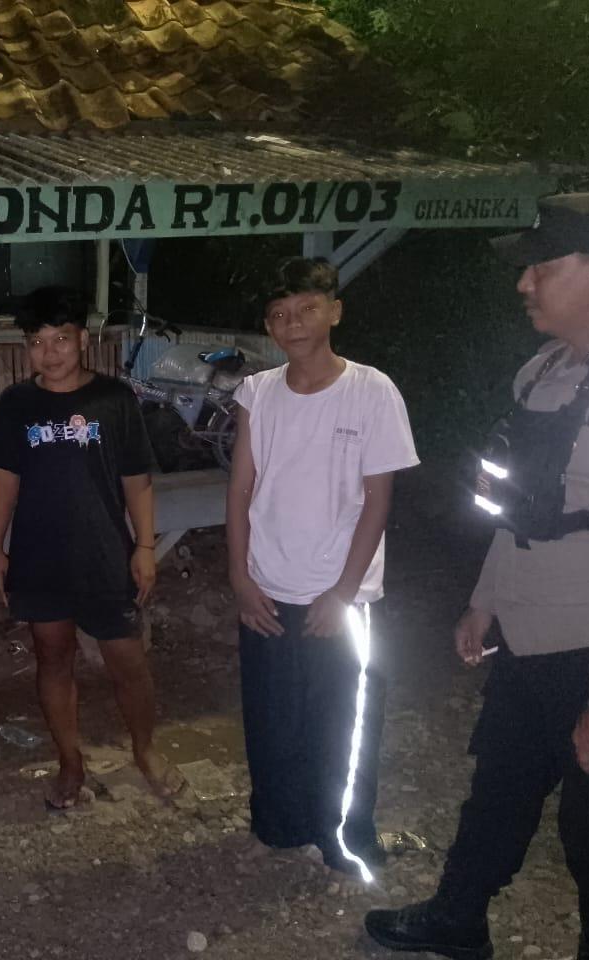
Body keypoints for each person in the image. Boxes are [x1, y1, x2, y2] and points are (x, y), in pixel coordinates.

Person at [365, 193, 589, 960]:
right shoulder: (543, 373)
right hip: (530, 633)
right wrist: (485, 601)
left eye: (542, 266)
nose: (523, 283)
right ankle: (457, 920)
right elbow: (521, 508)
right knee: (497, 791)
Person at [226, 257, 419, 875]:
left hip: (341, 595)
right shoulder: (257, 393)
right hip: (266, 586)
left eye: (307, 308)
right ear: (268, 326)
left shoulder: (372, 390)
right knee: (272, 717)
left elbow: (377, 501)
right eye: (279, 314)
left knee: (344, 722)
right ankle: (279, 825)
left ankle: (345, 840)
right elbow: (240, 490)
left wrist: (342, 593)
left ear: (334, 311)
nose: (293, 323)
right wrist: (239, 577)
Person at [0, 286, 184, 810]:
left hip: (104, 554)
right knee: (53, 658)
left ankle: (145, 750)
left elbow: (137, 480)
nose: (50, 353)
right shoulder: (16, 404)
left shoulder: (113, 400)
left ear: (83, 341)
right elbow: (3, 480)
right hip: (38, 557)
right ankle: (70, 762)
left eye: (61, 339)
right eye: (37, 342)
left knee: (128, 661)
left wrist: (145, 546)